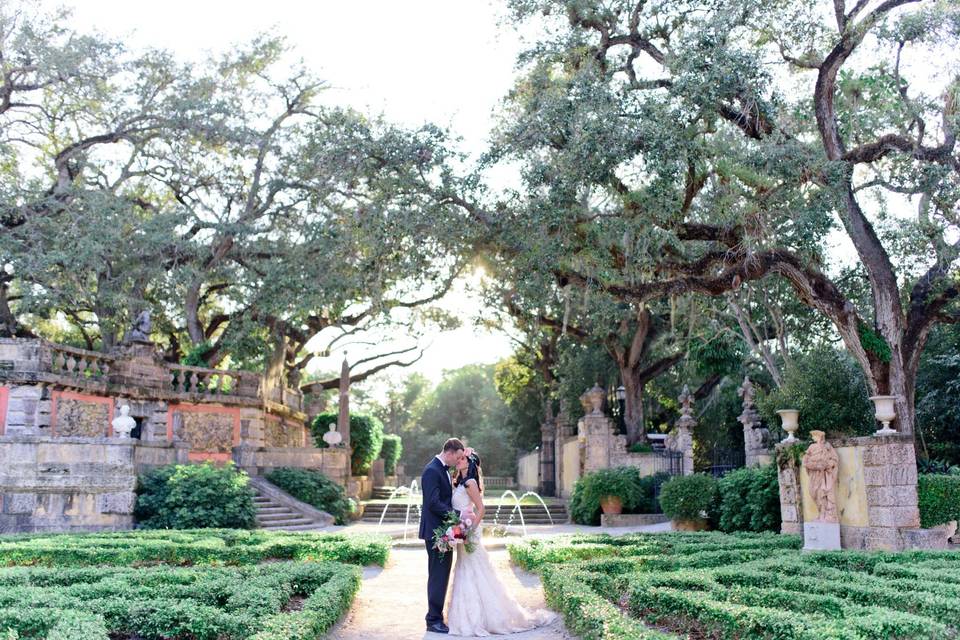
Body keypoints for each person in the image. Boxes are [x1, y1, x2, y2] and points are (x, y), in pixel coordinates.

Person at [446, 450, 555, 636]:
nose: (458, 460)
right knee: (465, 568)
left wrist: (468, 528)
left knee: (475, 569)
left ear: (470, 463)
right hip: (463, 529)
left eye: (462, 458)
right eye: (459, 457)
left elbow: (481, 509)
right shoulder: (459, 482)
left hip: (470, 531)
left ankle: (482, 618)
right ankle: (467, 616)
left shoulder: (470, 483)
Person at [420, 438, 465, 634]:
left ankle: (437, 616)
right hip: (436, 532)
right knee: (438, 575)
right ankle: (433, 619)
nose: (458, 460)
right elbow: (433, 503)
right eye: (458, 456)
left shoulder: (442, 469)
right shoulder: (432, 470)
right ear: (449, 452)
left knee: (442, 573)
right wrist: (458, 515)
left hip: (444, 531)